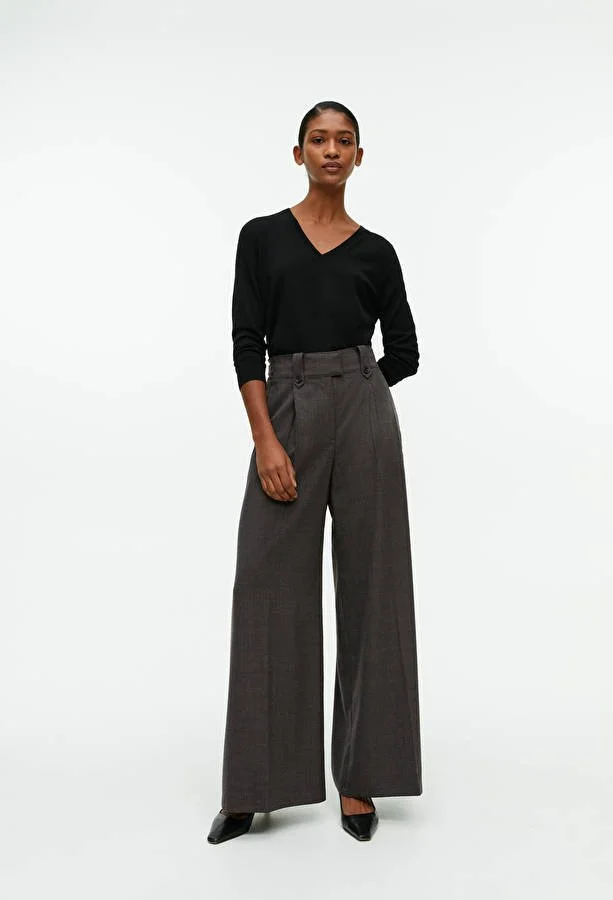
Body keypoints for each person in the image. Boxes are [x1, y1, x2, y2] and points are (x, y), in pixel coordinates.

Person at [207, 101, 422, 844]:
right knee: (266, 589)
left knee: (373, 589)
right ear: (297, 153)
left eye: (344, 140)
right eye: (318, 139)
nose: (331, 149)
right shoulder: (262, 237)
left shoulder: (377, 252)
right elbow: (246, 340)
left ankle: (361, 778)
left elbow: (405, 351)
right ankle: (255, 784)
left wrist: (357, 391)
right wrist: (268, 437)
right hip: (286, 408)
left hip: (364, 413)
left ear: (359, 156)